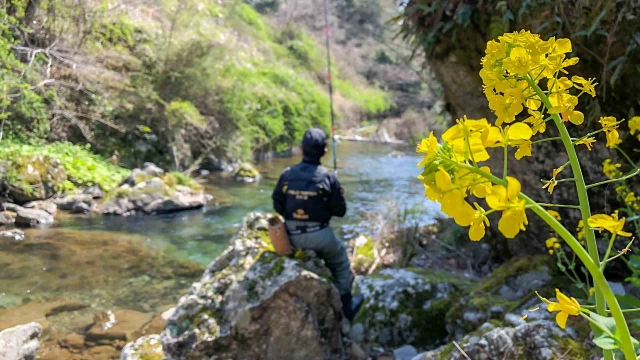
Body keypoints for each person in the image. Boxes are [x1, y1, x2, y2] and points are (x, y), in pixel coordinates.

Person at [272, 128, 364, 321]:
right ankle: (345, 307)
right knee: (340, 262)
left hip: (291, 236)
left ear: (301, 150)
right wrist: (338, 192)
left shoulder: (287, 174)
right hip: (320, 235)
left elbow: (277, 205)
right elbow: (341, 211)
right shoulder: (328, 177)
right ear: (324, 152)